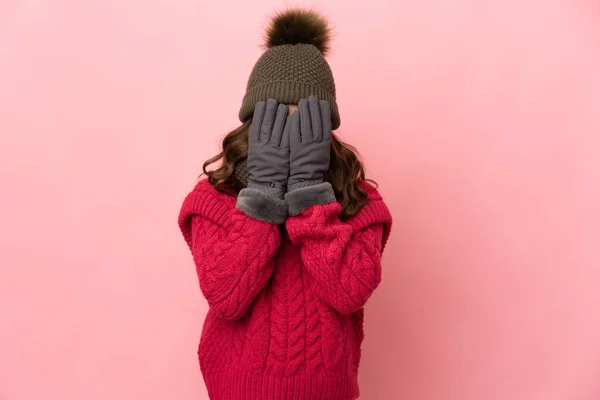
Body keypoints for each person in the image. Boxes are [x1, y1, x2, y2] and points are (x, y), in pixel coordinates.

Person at [178, 8, 392, 400]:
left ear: (325, 125)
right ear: (252, 123)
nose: (290, 131)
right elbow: (227, 297)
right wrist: (263, 193)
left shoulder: (360, 201)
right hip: (237, 388)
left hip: (327, 389)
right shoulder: (213, 199)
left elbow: (349, 293)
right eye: (277, 118)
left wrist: (310, 193)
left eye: (303, 118)